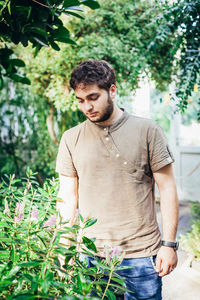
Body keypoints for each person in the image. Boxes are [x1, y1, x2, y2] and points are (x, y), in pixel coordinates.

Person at [56, 59, 179, 299]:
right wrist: (65, 251)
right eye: (80, 100)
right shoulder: (71, 139)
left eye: (93, 97)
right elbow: (67, 198)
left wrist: (169, 244)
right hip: (90, 258)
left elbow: (168, 189)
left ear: (112, 90)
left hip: (140, 256)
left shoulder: (148, 130)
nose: (87, 107)